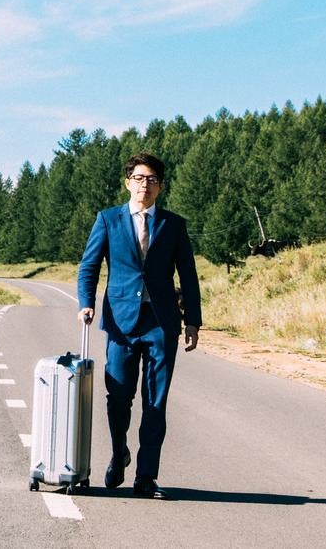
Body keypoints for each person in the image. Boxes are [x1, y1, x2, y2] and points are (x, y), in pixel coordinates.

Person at [77, 152, 201, 499]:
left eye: (152, 180)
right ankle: (119, 453)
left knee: (155, 402)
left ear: (160, 186)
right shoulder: (108, 220)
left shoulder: (173, 225)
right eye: (140, 178)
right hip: (121, 322)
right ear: (128, 182)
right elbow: (89, 265)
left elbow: (188, 275)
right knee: (118, 397)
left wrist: (192, 319)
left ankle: (146, 477)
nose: (145, 185)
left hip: (162, 322)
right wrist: (85, 302)